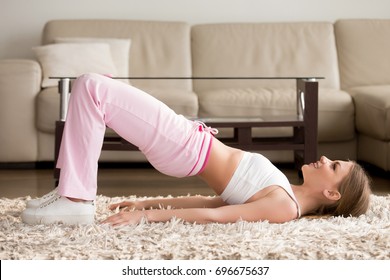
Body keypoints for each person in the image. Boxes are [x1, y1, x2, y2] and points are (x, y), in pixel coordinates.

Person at [21, 73, 372, 226]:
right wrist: (146, 203)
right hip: (186, 142)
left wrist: (145, 218)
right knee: (97, 88)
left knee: (93, 86)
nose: (325, 158)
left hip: (185, 145)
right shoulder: (285, 195)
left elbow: (215, 218)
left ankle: (76, 200)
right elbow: (212, 202)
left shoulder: (284, 207)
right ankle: (69, 192)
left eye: (335, 165)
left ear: (331, 191)